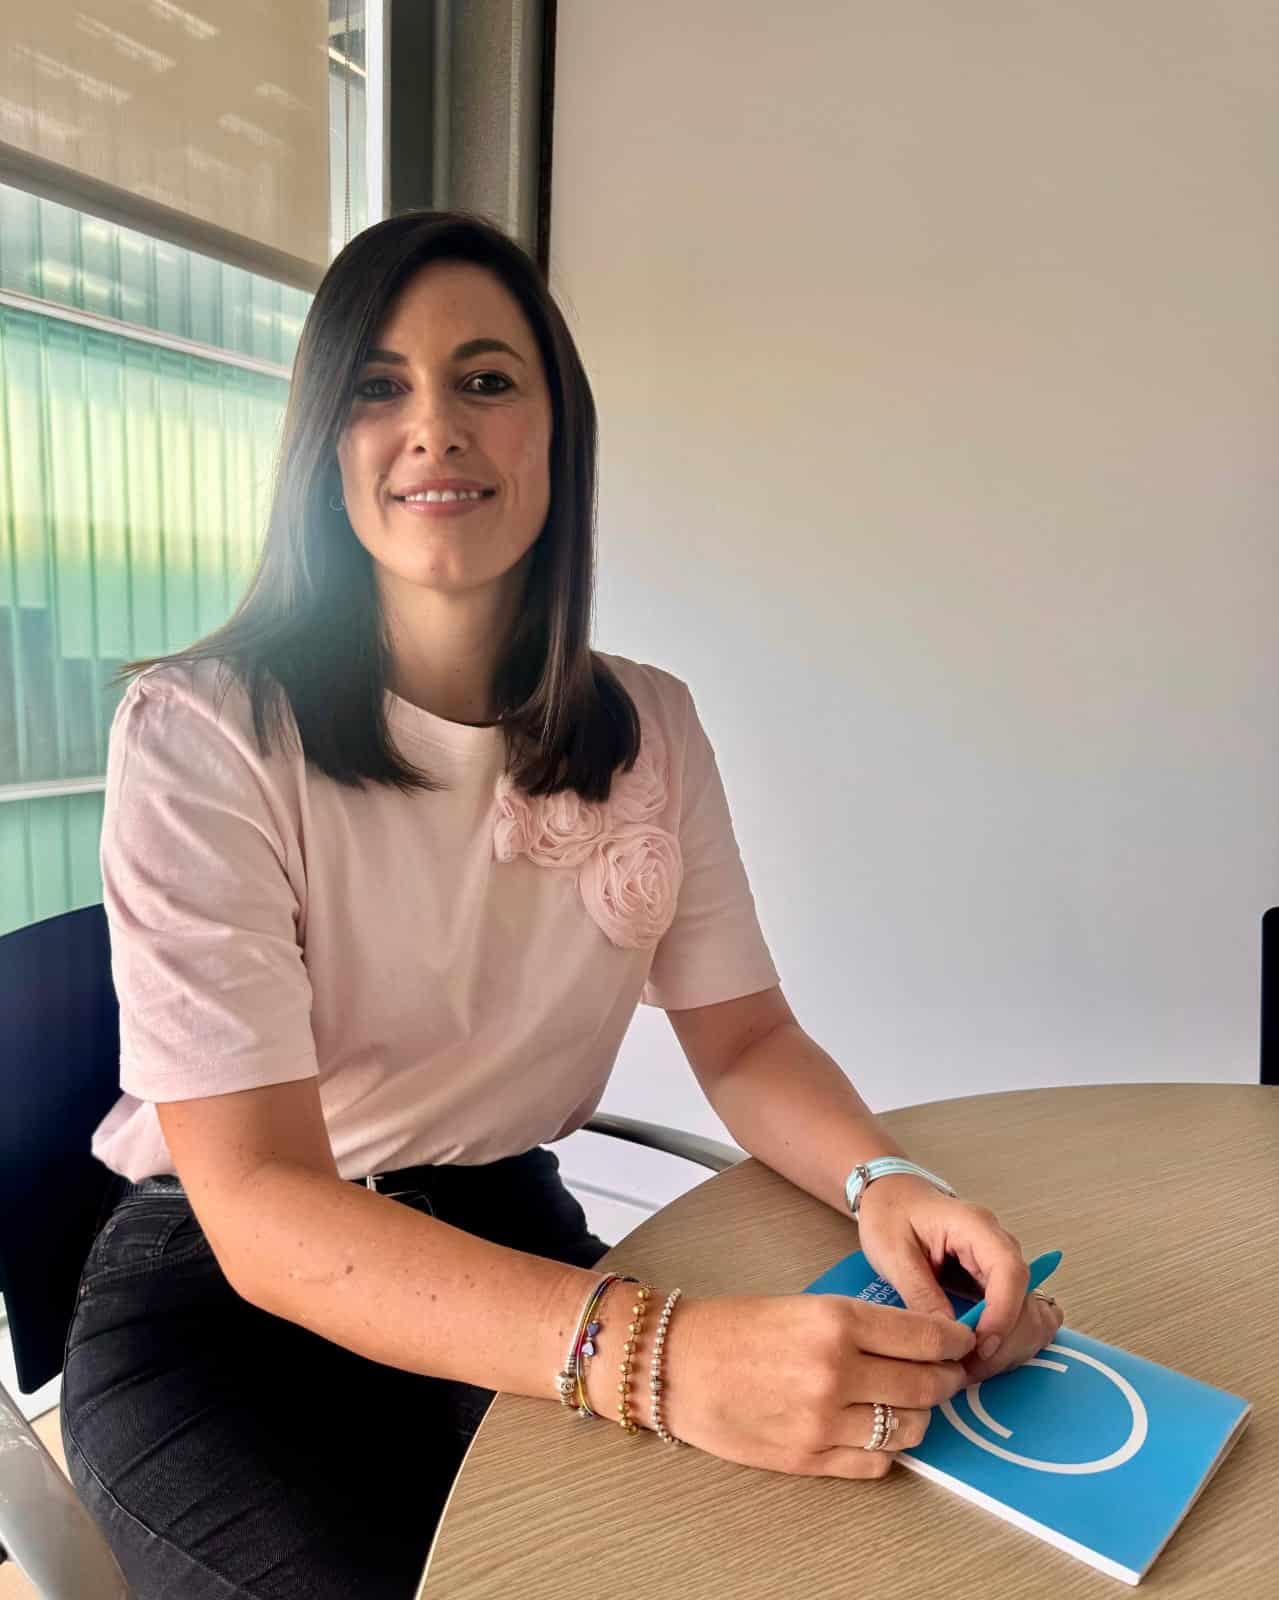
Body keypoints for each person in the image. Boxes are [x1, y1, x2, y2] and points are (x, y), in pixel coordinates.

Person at [61, 209, 1065, 1600]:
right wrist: (661, 1357)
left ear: (556, 434)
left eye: (485, 380)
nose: (434, 429)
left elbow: (747, 1040)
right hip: (230, 1298)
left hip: (506, 1228)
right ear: (320, 446)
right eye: (377, 387)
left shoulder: (648, 723)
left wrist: (879, 1180)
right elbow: (262, 1201)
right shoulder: (203, 730)